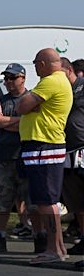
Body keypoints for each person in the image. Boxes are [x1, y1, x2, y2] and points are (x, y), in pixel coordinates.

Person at [17, 48, 73, 264]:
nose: (34, 67)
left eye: (35, 63)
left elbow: (22, 105)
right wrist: (33, 106)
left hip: (44, 145)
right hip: (43, 145)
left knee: (46, 201)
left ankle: (54, 250)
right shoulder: (57, 81)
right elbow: (26, 106)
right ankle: (57, 247)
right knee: (46, 200)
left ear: (42, 63)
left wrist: (32, 105)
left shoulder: (51, 81)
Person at [0, 63, 30, 253]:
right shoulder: (1, 99)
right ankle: (0, 236)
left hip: (24, 157)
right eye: (6, 78)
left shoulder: (30, 99)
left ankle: (39, 236)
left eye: (12, 78)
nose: (8, 82)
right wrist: (19, 122)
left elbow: (31, 123)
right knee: (2, 202)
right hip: (3, 158)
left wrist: (8, 123)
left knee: (31, 202)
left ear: (23, 78)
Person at [59, 58, 84, 263]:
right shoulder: (60, 91)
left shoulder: (81, 88)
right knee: (76, 201)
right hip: (67, 150)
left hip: (82, 149)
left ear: (69, 71)